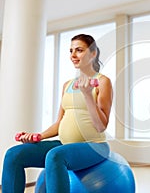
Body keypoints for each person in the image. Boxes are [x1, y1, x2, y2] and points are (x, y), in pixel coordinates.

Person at [1, 34, 113, 193]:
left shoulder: (102, 82)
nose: (73, 55)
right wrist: (38, 137)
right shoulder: (67, 85)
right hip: (65, 145)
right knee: (14, 154)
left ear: (93, 53)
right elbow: (60, 122)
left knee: (55, 156)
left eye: (79, 50)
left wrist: (88, 95)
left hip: (94, 146)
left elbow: (101, 126)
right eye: (71, 51)